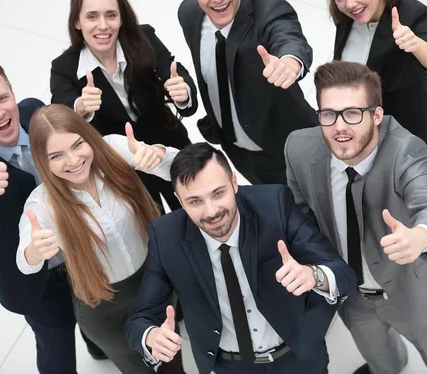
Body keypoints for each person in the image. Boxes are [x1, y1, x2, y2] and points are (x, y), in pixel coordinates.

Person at [285, 61, 427, 374]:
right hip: (351, 292)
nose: (340, 127)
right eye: (329, 114)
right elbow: (302, 214)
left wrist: (420, 236)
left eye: (353, 113)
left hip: (412, 288)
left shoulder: (406, 151)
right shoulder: (299, 148)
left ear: (377, 115)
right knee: (381, 359)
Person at [125, 142, 356, 374]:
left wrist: (312, 275)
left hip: (298, 355)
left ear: (234, 183)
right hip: (230, 366)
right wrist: (151, 336)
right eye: (195, 201)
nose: (211, 211)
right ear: (178, 199)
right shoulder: (165, 236)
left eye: (218, 193)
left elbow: (343, 275)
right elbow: (140, 319)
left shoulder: (275, 204)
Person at [0, 59, 104, 374]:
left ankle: (97, 347)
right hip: (34, 279)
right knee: (55, 347)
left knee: (94, 313)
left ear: (13, 93)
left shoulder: (34, 112)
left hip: (79, 252)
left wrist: (80, 113)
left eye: (2, 98)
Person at [16, 104, 180, 373]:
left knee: (172, 358)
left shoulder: (112, 148)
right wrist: (34, 250)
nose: (73, 161)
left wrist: (156, 155)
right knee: (138, 367)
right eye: (56, 155)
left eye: (77, 144)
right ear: (42, 161)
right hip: (103, 306)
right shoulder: (42, 203)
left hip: (154, 281)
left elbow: (175, 166)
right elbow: (25, 259)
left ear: (87, 135)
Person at [325, 0, 427, 248]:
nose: (349, 3)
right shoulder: (346, 18)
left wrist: (415, 44)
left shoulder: (411, 14)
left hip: (416, 131)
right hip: (372, 135)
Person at [50, 0, 197, 212]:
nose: (103, 26)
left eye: (111, 15)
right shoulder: (64, 67)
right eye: (91, 17)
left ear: (121, 17)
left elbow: (175, 73)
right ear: (77, 21)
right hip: (122, 164)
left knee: (197, 201)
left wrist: (183, 92)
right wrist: (80, 107)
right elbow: (60, 108)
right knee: (156, 224)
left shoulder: (144, 37)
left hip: (169, 142)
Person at [177, 0, 318, 185]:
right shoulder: (189, 14)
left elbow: (288, 37)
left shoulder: (270, 9)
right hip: (236, 150)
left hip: (290, 151)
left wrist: (290, 61)